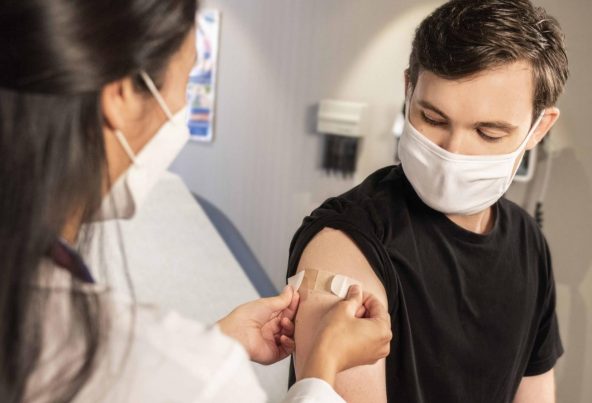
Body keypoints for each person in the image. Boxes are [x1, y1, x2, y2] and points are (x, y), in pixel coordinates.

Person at [0, 1, 392, 402]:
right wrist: (320, 370)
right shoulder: (181, 370)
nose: (182, 109)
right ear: (121, 94)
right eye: (187, 82)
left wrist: (218, 341)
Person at [286, 0, 569, 402]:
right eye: (433, 119)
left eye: (488, 133)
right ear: (408, 89)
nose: (453, 152)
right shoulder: (348, 240)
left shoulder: (529, 243)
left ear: (539, 127)